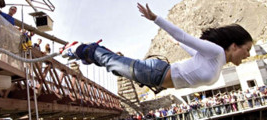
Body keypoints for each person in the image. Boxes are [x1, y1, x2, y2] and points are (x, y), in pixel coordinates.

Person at [60, 3, 252, 90]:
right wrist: (156, 19)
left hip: (156, 79)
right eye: (247, 49)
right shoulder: (217, 52)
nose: (248, 55)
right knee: (112, 63)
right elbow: (184, 36)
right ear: (234, 46)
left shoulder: (216, 61)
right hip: (156, 74)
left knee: (115, 67)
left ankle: (84, 54)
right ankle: (78, 50)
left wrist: (176, 44)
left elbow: (192, 51)